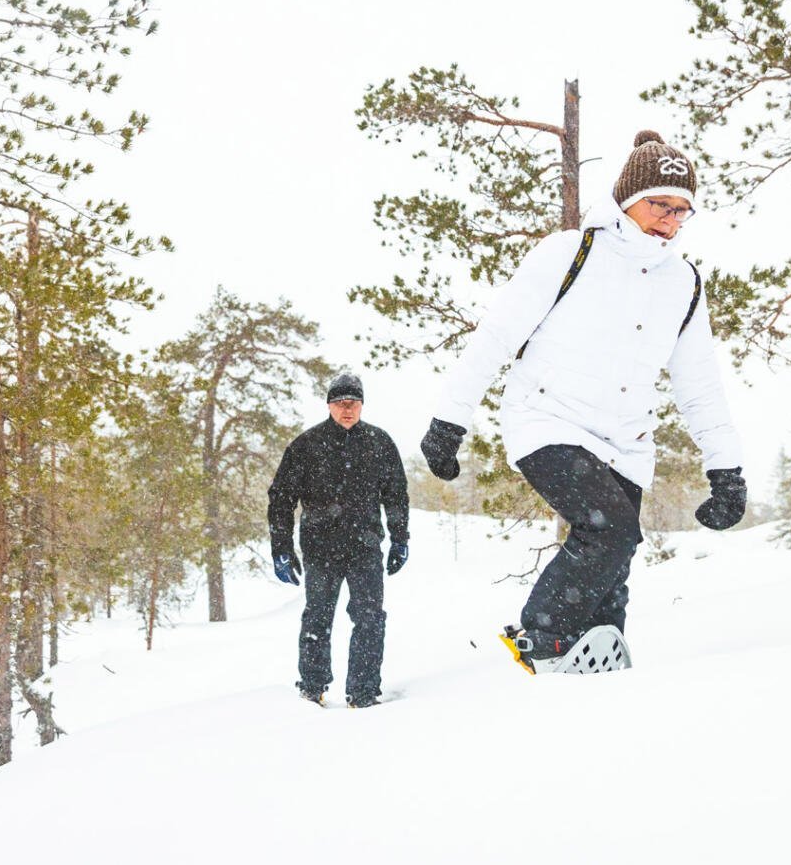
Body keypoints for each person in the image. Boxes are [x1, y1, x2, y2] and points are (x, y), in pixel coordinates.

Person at [420, 130, 747, 673]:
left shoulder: (683, 283)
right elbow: (495, 337)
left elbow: (700, 385)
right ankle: (542, 638)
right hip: (547, 421)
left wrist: (726, 470)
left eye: (681, 210)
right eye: (659, 204)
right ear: (627, 199)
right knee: (609, 529)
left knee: (611, 582)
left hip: (628, 444)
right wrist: (449, 420)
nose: (669, 219)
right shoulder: (572, 252)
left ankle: (596, 690)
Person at [267, 372, 409, 706]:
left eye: (353, 402)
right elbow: (281, 499)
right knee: (317, 617)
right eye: (340, 403)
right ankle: (312, 688)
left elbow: (397, 495)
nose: (347, 409)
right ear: (329, 405)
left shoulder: (379, 442)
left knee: (370, 618)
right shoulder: (306, 445)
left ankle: (362, 692)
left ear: (362, 404)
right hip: (321, 548)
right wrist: (281, 549)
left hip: (365, 548)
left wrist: (401, 539)